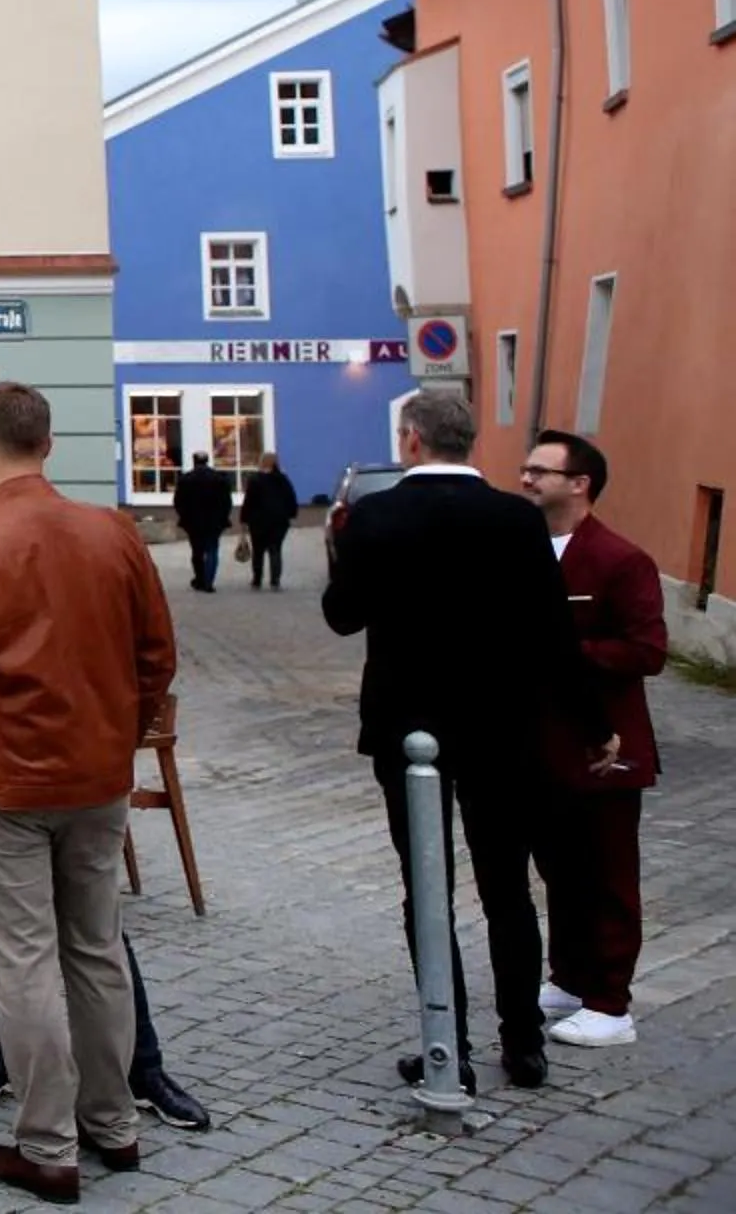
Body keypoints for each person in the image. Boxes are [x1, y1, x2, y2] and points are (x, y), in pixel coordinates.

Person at [0, 383, 174, 1202]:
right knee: (95, 948)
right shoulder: (114, 533)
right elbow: (156, 656)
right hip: (95, 776)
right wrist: (119, 731)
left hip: (3, 779)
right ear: (48, 445)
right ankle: (114, 1124)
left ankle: (49, 1142)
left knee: (24, 962)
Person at [325, 388, 604, 1094]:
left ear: (411, 440)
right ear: (469, 443)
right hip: (500, 722)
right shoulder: (516, 518)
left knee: (428, 888)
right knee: (508, 888)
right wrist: (593, 721)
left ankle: (449, 1045)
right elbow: (553, 630)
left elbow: (341, 616)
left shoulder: (377, 514)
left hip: (407, 724)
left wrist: (346, 554)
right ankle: (523, 1044)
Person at [519, 430, 665, 1051]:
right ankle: (570, 977)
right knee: (559, 869)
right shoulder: (524, 549)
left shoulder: (620, 559)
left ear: (579, 484)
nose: (525, 480)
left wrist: (566, 653)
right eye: (525, 470)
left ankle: (612, 1002)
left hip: (605, 747)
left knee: (608, 875)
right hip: (541, 745)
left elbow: (647, 649)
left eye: (539, 472)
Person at [170, 453, 231, 594]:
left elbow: (178, 501)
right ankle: (209, 582)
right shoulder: (219, 479)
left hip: (193, 522)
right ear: (207, 461)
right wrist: (223, 517)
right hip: (215, 521)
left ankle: (200, 578)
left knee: (197, 551)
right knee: (212, 550)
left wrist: (184, 516)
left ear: (194, 461)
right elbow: (227, 502)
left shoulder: (186, 479)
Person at [240, 455, 299, 591]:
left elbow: (249, 501)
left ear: (262, 463)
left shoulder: (255, 480)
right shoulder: (283, 480)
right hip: (279, 520)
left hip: (258, 521)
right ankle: (275, 581)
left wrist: (244, 519)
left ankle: (257, 580)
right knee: (275, 549)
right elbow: (291, 498)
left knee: (258, 551)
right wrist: (291, 514)